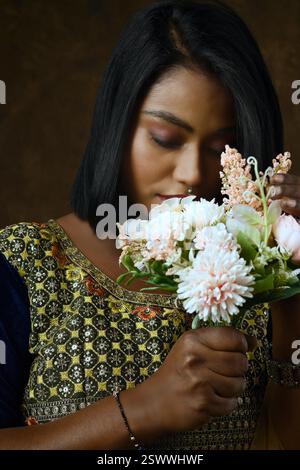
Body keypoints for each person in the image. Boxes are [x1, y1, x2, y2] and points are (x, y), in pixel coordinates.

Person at [0, 0, 300, 450]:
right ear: (117, 126)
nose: (192, 174)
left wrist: (290, 286)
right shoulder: (26, 265)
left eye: (222, 149)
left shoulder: (259, 274)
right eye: (165, 139)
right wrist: (143, 410)